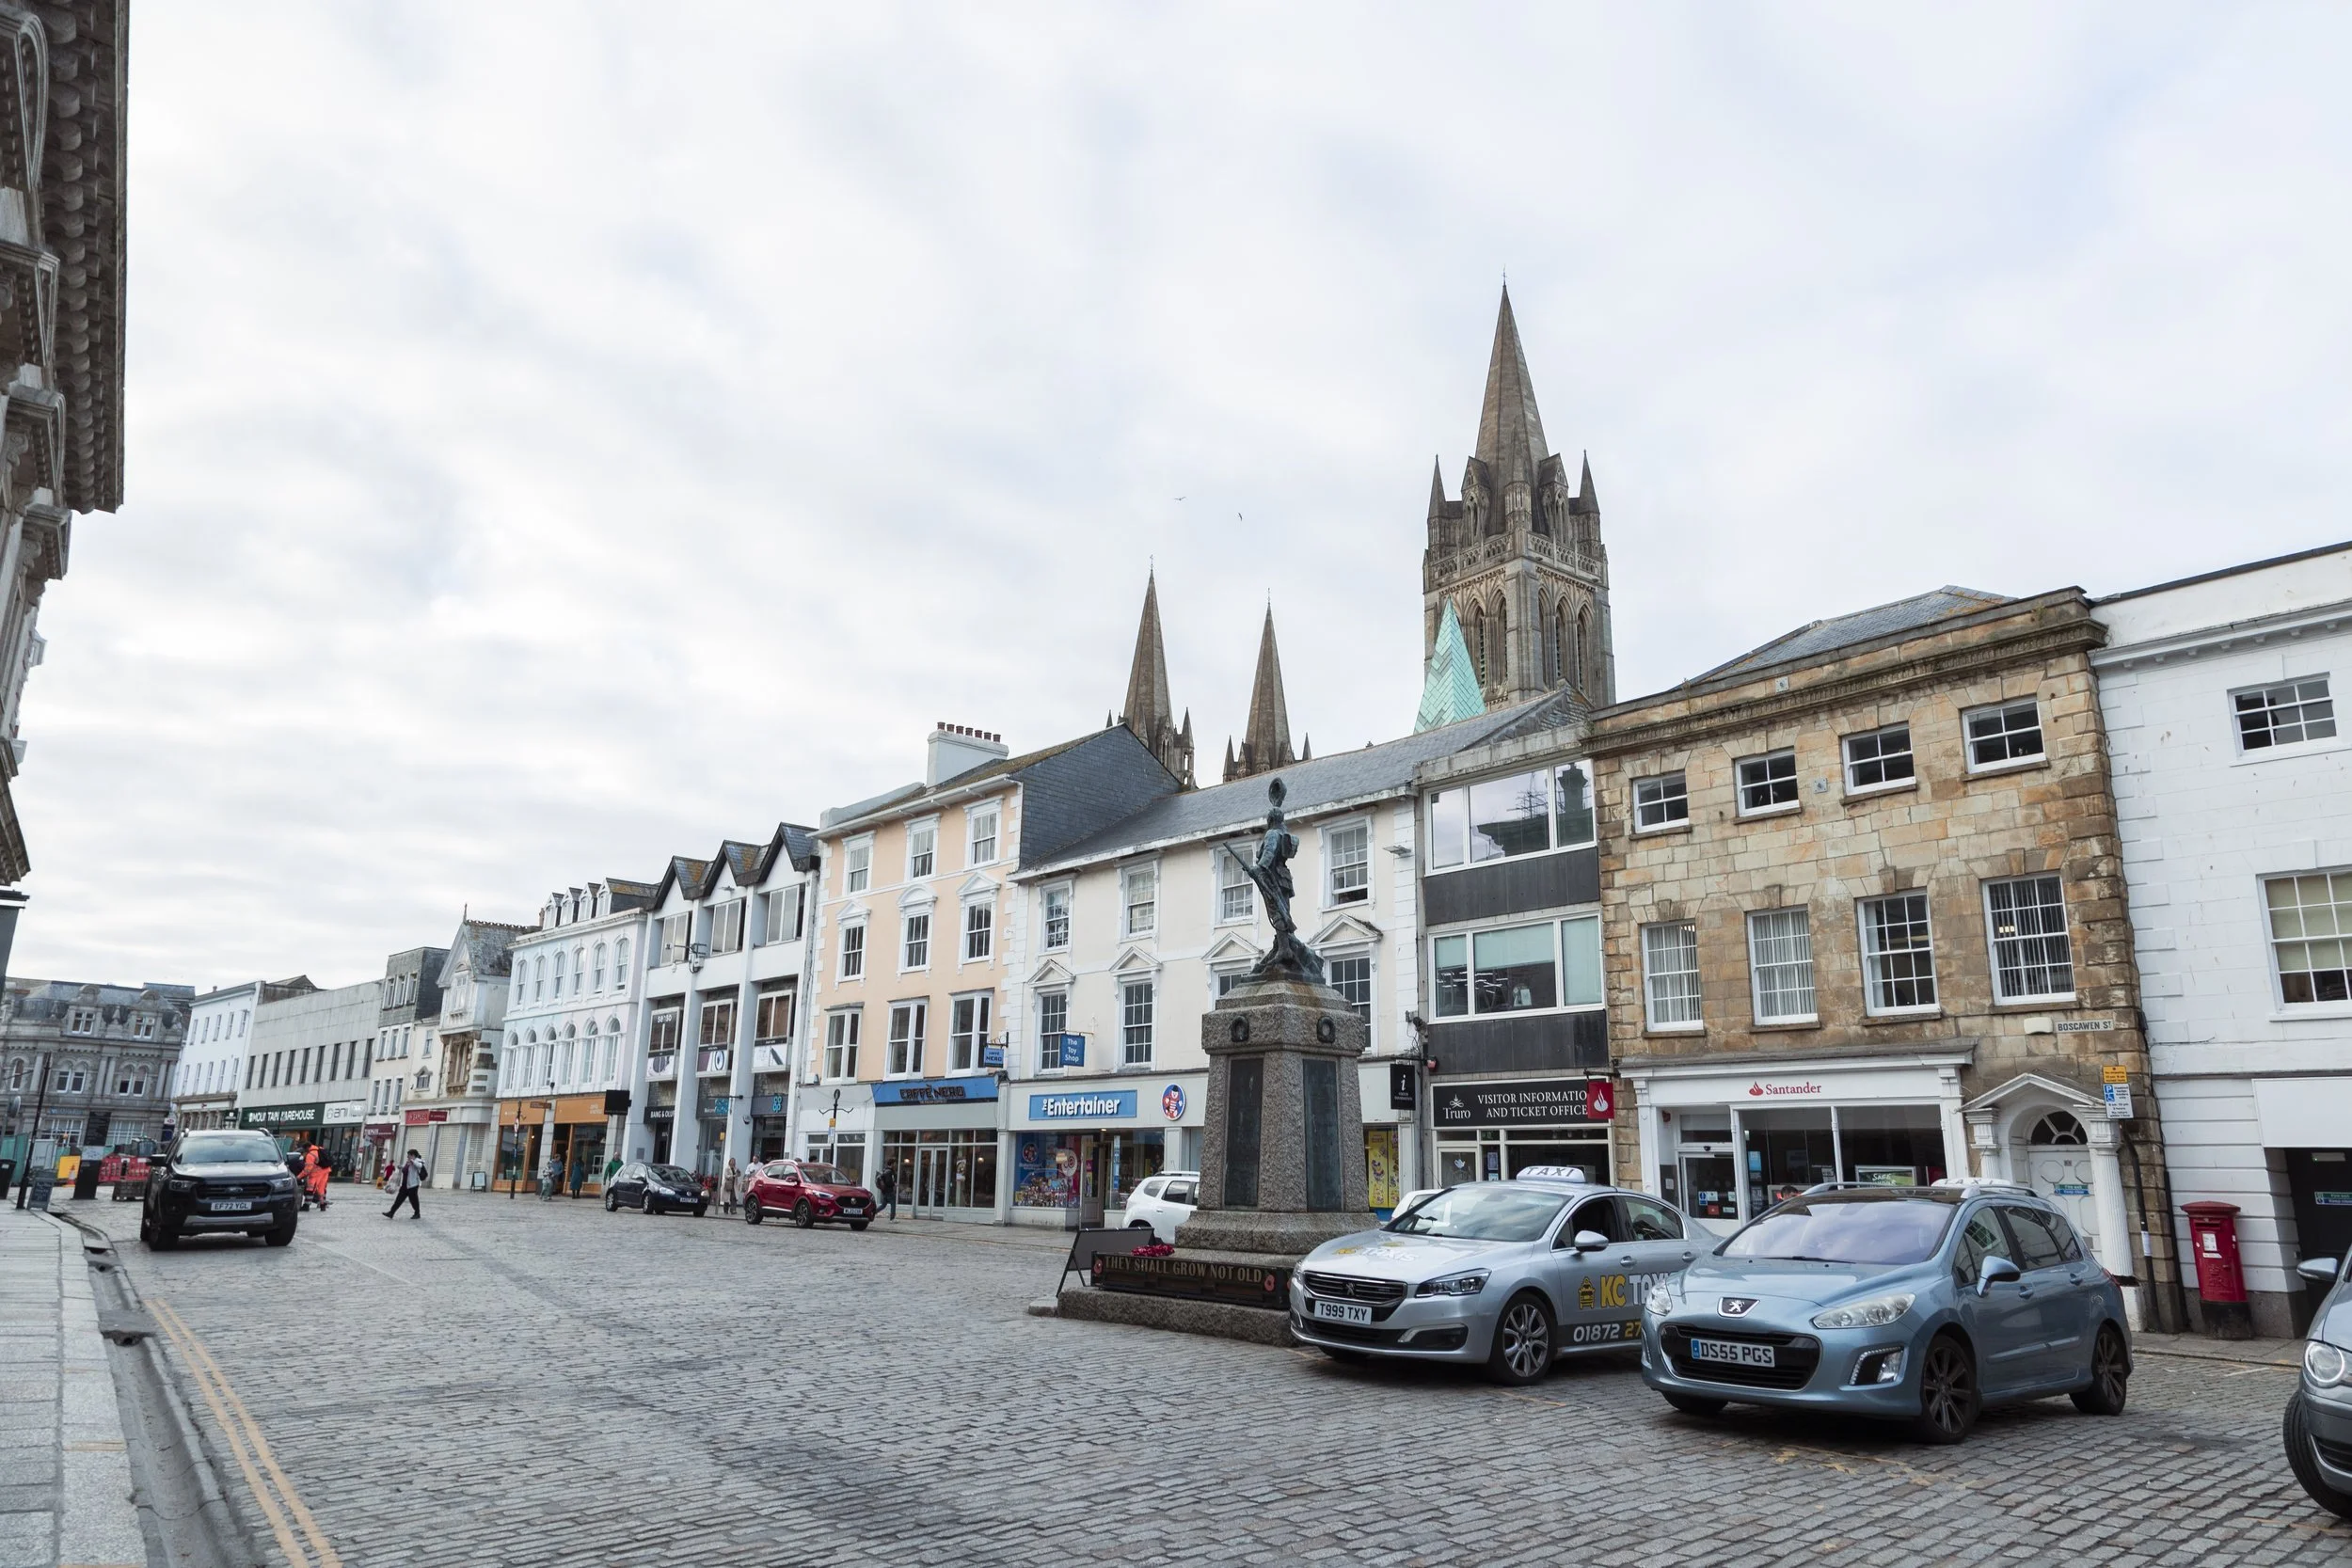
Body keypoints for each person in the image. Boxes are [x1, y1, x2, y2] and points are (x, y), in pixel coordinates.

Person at [384, 1149, 426, 1219]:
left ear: (413, 1155)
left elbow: (420, 1166)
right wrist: (400, 1167)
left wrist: (412, 1161)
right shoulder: (408, 1162)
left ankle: (417, 1213)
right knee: (399, 1200)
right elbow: (404, 1168)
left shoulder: (418, 1161)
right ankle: (391, 1213)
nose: (408, 1157)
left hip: (413, 1185)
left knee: (413, 1200)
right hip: (404, 1185)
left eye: (409, 1155)